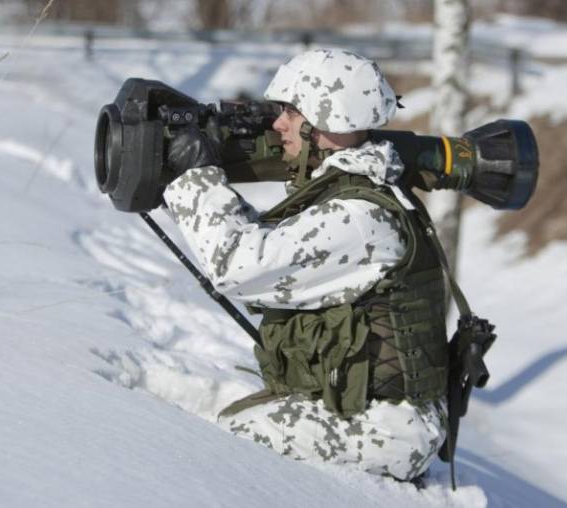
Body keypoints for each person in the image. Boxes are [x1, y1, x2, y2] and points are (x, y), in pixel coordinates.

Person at [161, 48, 449, 481]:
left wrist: (197, 178)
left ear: (323, 120)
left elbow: (240, 267)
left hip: (389, 429)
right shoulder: (356, 189)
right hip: (372, 407)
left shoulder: (358, 217)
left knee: (230, 439)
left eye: (289, 112)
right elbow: (276, 251)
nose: (277, 125)